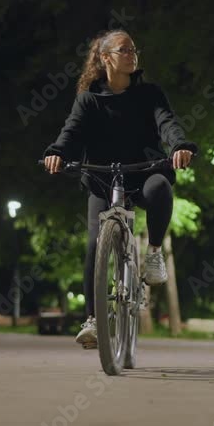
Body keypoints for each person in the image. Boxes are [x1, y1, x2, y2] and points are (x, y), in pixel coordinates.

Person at [42, 29, 197, 349]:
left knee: (161, 187)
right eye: (124, 50)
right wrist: (57, 152)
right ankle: (93, 320)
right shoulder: (88, 99)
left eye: (134, 50)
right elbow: (71, 132)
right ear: (105, 58)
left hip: (144, 172)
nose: (132, 55)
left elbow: (167, 123)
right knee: (94, 243)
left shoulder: (150, 93)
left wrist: (179, 145)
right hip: (103, 179)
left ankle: (153, 254)